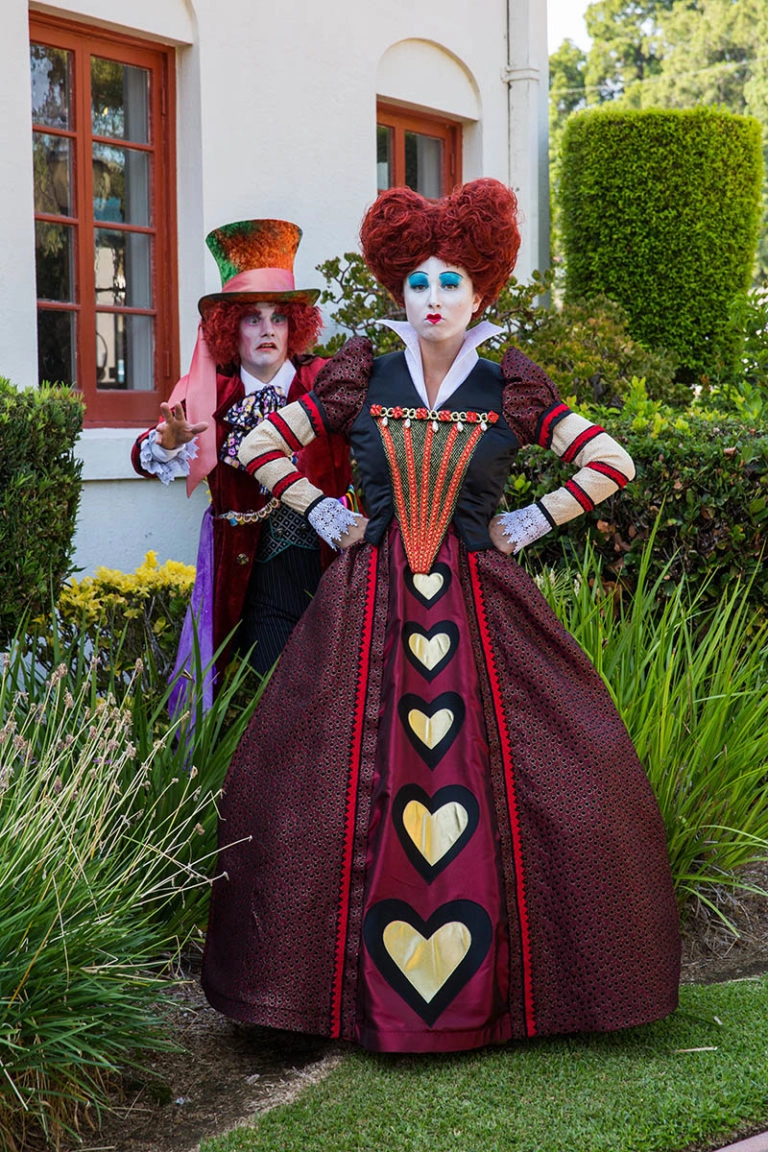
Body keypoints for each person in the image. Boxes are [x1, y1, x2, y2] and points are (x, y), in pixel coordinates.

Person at [201, 180, 681, 1053]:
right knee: (319, 784)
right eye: (417, 282)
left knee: (560, 774)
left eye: (450, 281)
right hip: (366, 602)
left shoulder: (508, 384)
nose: (432, 297)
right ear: (399, 289)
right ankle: (310, 995)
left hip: (482, 600)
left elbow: (610, 461)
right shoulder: (361, 374)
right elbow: (259, 443)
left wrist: (530, 522)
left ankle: (527, 995)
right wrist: (321, 511)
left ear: (480, 291)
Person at [131, 219, 351, 694]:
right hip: (253, 578)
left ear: (295, 325)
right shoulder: (209, 392)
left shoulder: (326, 380)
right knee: (274, 691)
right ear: (231, 328)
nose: (267, 330)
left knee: (335, 693)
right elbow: (144, 453)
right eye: (253, 318)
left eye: (279, 317)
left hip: (331, 568)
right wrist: (169, 442)